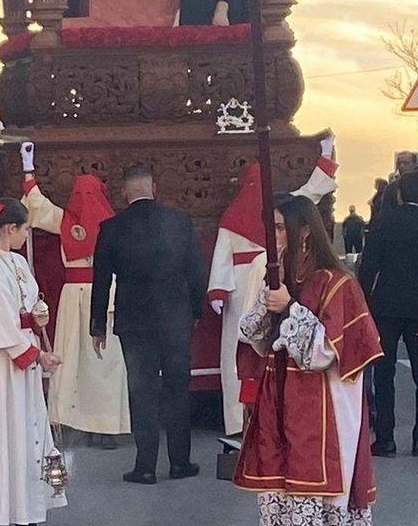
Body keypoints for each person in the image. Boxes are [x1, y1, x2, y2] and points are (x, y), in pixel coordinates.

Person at [234, 192, 383, 526]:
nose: (272, 236)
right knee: (278, 504)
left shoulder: (338, 283)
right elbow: (255, 340)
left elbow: (327, 352)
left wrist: (291, 311)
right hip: (279, 405)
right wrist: (268, 302)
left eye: (280, 227)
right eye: (270, 227)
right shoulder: (275, 277)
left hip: (324, 410)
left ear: (303, 231)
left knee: (315, 505)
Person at [92, 163, 205, 485]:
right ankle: (180, 462)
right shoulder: (179, 223)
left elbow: (100, 278)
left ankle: (144, 467)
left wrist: (97, 324)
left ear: (126, 191)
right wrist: (194, 311)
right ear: (153, 187)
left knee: (141, 391)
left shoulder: (111, 227)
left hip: (134, 318)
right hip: (175, 316)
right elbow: (196, 270)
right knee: (177, 387)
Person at [0, 197, 65, 526]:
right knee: (2, 439)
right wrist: (38, 355)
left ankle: (27, 515)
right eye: (26, 228)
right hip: (3, 365)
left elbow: (27, 306)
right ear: (10, 229)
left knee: (32, 436)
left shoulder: (20, 263)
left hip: (24, 357)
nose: (28, 235)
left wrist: (38, 316)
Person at [19, 143, 130, 439]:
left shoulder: (65, 220)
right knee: (105, 360)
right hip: (106, 293)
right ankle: (107, 424)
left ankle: (68, 415)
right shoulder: (116, 224)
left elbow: (36, 205)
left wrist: (29, 170)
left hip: (73, 295)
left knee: (71, 356)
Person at [358, 170, 418, 458]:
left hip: (386, 308)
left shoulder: (382, 224)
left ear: (398, 193)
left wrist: (365, 305)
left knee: (385, 372)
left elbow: (368, 268)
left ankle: (386, 438)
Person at [208, 163, 271, 436]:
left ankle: (237, 419)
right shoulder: (276, 210)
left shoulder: (232, 214)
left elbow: (222, 256)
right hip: (271, 280)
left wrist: (218, 291)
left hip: (239, 286)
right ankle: (270, 415)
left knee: (235, 351)